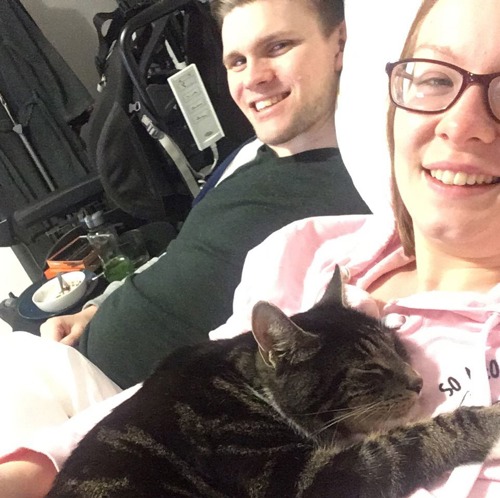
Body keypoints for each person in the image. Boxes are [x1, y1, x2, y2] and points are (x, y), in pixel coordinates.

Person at [3, 0, 500, 495]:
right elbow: (191, 389)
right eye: (436, 79)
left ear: (344, 47)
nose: (461, 124)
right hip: (87, 410)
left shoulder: (327, 185)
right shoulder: (303, 240)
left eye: (279, 46)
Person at [39, 0, 369, 390]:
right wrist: (97, 311)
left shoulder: (364, 187)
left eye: (278, 47)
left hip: (115, 407)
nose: (254, 79)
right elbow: (184, 261)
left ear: (341, 44)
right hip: (70, 352)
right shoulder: (249, 155)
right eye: (237, 62)